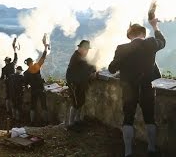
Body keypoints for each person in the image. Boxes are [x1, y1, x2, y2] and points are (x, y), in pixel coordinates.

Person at [108, 18, 165, 157]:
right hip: (147, 88)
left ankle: (128, 152)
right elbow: (162, 42)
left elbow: (111, 69)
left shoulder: (122, 48)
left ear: (130, 35)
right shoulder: (151, 43)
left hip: (129, 90)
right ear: (143, 33)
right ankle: (151, 149)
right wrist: (155, 26)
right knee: (149, 119)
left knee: (128, 119)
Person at [65, 40, 96, 130]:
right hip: (74, 83)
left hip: (80, 83)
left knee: (81, 101)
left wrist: (93, 70)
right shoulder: (76, 57)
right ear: (81, 48)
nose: (87, 51)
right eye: (86, 49)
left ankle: (77, 120)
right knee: (76, 103)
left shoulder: (80, 56)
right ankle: (71, 123)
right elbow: (85, 68)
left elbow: (88, 66)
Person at [24, 35, 49, 126]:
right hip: (41, 89)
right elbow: (43, 57)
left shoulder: (26, 73)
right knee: (44, 106)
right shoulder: (36, 67)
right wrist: (45, 47)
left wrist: (28, 89)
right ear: (32, 62)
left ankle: (32, 122)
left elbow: (25, 84)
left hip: (34, 90)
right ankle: (46, 122)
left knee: (33, 107)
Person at [1, 42, 18, 115]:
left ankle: (8, 111)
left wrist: (5, 79)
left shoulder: (4, 68)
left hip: (8, 83)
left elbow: (2, 78)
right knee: (13, 98)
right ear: (9, 61)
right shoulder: (13, 64)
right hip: (14, 82)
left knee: (8, 97)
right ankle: (14, 114)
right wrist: (15, 50)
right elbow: (16, 58)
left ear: (5, 61)